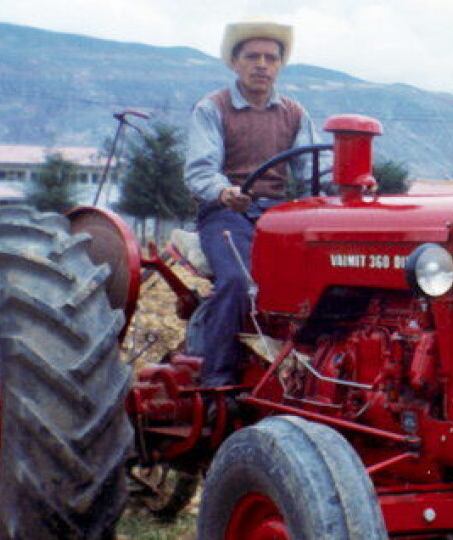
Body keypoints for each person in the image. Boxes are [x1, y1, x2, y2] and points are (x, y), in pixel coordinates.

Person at [185, 20, 325, 389]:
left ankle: (315, 372)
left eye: (271, 58)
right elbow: (200, 170)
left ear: (280, 65)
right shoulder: (212, 108)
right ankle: (217, 378)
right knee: (236, 280)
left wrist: (348, 185)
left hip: (278, 215)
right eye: (252, 57)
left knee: (324, 278)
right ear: (235, 63)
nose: (262, 64)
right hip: (225, 212)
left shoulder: (294, 113)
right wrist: (224, 191)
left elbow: (315, 167)